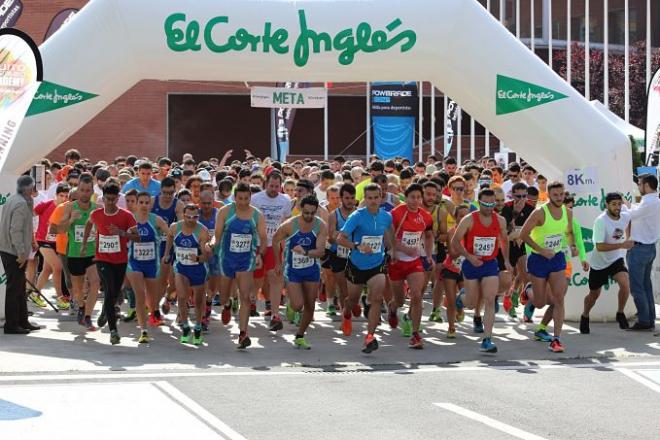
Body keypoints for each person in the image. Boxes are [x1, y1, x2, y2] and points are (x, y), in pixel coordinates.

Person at [336, 184, 394, 353]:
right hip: (357, 265)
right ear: (364, 199)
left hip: (377, 264)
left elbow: (388, 233)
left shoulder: (386, 217)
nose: (373, 201)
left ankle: (370, 336)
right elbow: (340, 238)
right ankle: (346, 314)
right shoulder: (357, 216)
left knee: (376, 299)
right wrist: (357, 246)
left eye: (376, 197)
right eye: (369, 198)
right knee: (352, 300)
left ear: (381, 198)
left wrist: (392, 250)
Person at [451, 188, 510, 353]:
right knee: (471, 303)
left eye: (492, 204)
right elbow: (455, 242)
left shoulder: (501, 220)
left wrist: (506, 260)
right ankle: (461, 298)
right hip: (471, 264)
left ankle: (487, 339)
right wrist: (469, 257)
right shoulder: (469, 219)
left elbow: (504, 242)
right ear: (479, 202)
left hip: (490, 264)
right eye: (485, 204)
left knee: (490, 299)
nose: (490, 207)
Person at [519, 181, 574, 353]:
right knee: (540, 303)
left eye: (562, 194)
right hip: (539, 259)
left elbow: (568, 232)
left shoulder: (568, 212)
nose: (559, 198)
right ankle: (528, 290)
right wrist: (541, 250)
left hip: (557, 258)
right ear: (549, 195)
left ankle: (556, 339)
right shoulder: (540, 213)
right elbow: (523, 235)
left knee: (559, 298)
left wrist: (572, 246)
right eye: (555, 195)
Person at [81, 181, 139, 345]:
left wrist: (121, 232)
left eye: (113, 199)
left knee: (112, 294)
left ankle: (105, 312)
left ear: (118, 198)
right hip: (102, 259)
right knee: (109, 288)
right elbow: (88, 225)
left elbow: (137, 237)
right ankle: (113, 331)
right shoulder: (96, 214)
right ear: (103, 198)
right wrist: (85, 244)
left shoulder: (126, 215)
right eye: (108, 199)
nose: (111, 202)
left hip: (120, 260)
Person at [214, 183, 266, 349]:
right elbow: (217, 236)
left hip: (246, 260)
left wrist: (260, 255)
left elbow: (263, 238)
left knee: (245, 296)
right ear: (234, 197)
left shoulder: (257, 215)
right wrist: (210, 245)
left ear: (250, 197)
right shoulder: (225, 212)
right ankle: (227, 305)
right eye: (240, 198)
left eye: (246, 198)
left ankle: (243, 333)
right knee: (223, 296)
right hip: (226, 259)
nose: (243, 202)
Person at [272, 196, 328, 349]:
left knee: (310, 306)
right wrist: (277, 262)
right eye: (306, 213)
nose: (309, 216)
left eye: (312, 213)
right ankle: (292, 307)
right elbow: (275, 240)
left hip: (312, 270)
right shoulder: (290, 225)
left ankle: (300, 335)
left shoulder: (321, 226)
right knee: (298, 305)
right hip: (293, 270)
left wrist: (305, 252)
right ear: (300, 209)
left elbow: (321, 251)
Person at [387, 184, 434, 349]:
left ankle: (415, 334)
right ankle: (392, 307)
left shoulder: (426, 216)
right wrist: (402, 248)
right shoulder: (396, 213)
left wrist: (428, 254)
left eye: (418, 197)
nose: (415, 201)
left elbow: (429, 236)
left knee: (416, 295)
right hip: (396, 261)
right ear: (405, 197)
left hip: (414, 262)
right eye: (412, 197)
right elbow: (389, 237)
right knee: (400, 301)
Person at [52, 173, 100, 331]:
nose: (85, 193)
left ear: (92, 191)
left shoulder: (97, 208)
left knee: (95, 283)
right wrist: (71, 220)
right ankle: (81, 306)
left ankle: (87, 316)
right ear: (77, 191)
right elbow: (56, 229)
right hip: (74, 253)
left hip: (92, 253)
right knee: (78, 291)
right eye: (82, 190)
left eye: (88, 190)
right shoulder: (70, 207)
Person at [580, 192, 632, 334]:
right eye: (614, 204)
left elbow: (630, 214)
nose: (617, 207)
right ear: (607, 205)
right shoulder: (601, 221)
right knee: (593, 295)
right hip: (599, 263)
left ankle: (620, 313)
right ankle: (585, 315)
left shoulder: (625, 215)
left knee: (625, 283)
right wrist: (622, 245)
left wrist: (630, 234)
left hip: (615, 259)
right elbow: (600, 246)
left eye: (619, 204)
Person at [163, 203, 212, 345]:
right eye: (188, 216)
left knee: (198, 301)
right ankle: (185, 326)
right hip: (181, 267)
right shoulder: (175, 227)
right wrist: (167, 253)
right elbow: (170, 238)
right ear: (183, 215)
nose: (191, 219)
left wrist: (197, 258)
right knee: (182, 296)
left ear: (198, 216)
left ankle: (197, 327)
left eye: (195, 217)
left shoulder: (202, 231)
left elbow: (206, 256)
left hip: (198, 269)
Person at [250, 171, 292, 330]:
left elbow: (286, 222)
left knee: (275, 279)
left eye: (277, 186)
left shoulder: (285, 200)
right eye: (271, 186)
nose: (274, 189)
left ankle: (275, 315)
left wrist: (284, 244)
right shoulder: (256, 199)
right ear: (265, 184)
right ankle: (251, 302)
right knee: (256, 280)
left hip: (274, 245)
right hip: (258, 244)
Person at [127, 192, 170, 342]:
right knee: (140, 295)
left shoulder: (156, 220)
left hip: (152, 264)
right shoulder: (130, 219)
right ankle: (143, 331)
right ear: (136, 203)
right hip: (134, 263)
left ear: (150, 204)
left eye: (147, 203)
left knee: (153, 299)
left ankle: (154, 313)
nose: (144, 205)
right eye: (141, 202)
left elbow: (171, 234)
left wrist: (166, 253)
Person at [0, 176, 40, 334]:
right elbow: (15, 230)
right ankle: (12, 325)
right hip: (13, 251)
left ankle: (22, 321)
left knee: (20, 287)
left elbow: (25, 225)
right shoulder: (21, 204)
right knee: (14, 288)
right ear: (29, 189)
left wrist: (31, 241)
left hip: (9, 249)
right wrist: (22, 253)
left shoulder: (16, 200)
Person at [624, 173, 660, 331]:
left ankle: (645, 321)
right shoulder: (653, 201)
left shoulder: (649, 202)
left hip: (639, 249)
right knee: (645, 286)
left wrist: (624, 204)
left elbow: (630, 215)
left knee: (637, 287)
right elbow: (637, 211)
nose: (638, 187)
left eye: (639, 184)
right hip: (648, 248)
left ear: (646, 185)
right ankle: (649, 319)